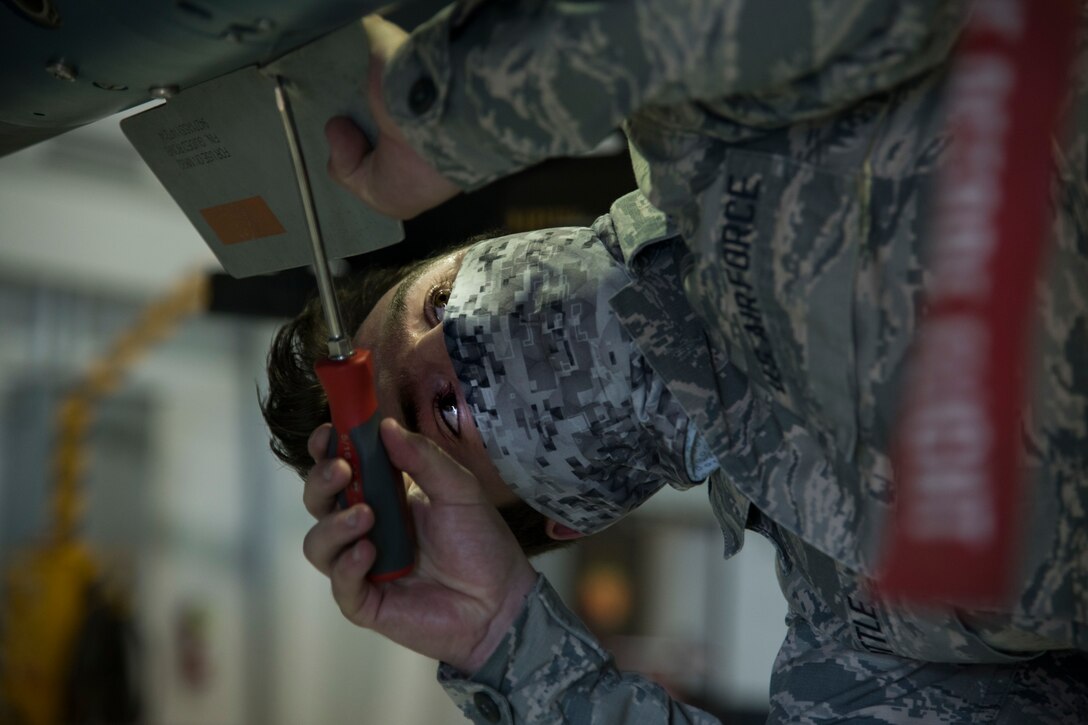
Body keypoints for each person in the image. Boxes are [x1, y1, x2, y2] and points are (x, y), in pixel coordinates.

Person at [261, 2, 1088, 722]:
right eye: (446, 410)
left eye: (441, 303)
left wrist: (454, 111)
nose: (450, 341)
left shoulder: (703, 126)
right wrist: (503, 640)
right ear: (568, 516)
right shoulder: (867, 632)